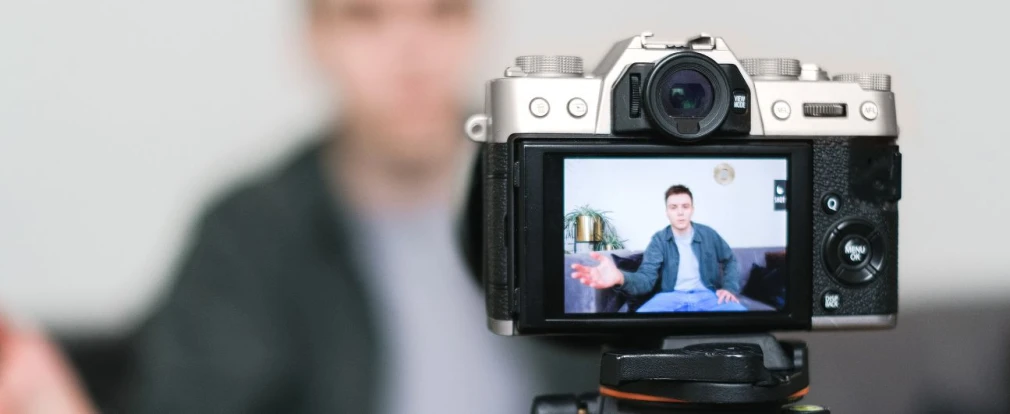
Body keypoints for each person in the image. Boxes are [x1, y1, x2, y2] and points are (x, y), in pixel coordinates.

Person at [0, 0, 599, 413]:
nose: (412, 53)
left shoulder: (570, 201)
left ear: (476, 27)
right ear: (315, 40)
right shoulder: (249, 236)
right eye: (366, 17)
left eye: (442, 11)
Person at [570, 185, 746, 312]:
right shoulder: (659, 240)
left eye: (685, 206)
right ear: (667, 212)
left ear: (692, 209)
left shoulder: (709, 234)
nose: (680, 212)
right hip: (670, 296)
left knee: (741, 317)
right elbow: (646, 279)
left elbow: (730, 259)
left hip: (708, 295)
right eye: (673, 207)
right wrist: (620, 277)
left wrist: (729, 288)